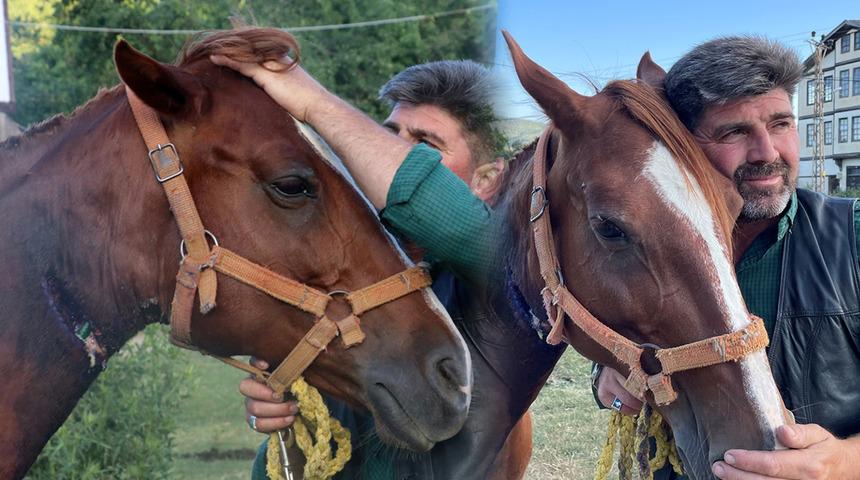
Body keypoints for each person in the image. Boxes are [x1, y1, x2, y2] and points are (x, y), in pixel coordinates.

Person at [591, 36, 860, 480]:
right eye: (734, 132)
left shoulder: (852, 235)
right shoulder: (644, 242)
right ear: (680, 143)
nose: (768, 153)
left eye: (780, 124)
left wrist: (843, 462)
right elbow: (619, 336)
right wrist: (609, 374)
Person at [226, 58, 509, 479]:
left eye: (424, 145)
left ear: (486, 181)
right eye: (388, 134)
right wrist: (270, 403)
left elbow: (473, 235)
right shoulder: (335, 253)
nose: (385, 152)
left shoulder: (497, 261)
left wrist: (312, 101)